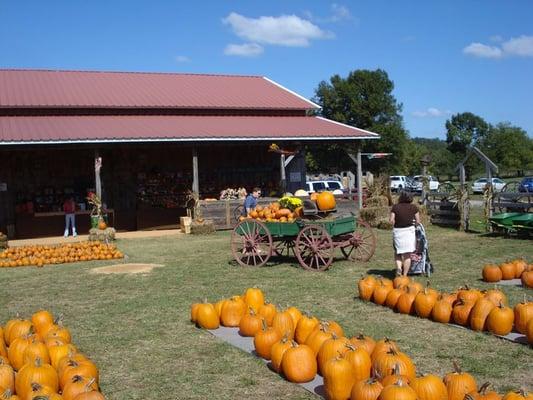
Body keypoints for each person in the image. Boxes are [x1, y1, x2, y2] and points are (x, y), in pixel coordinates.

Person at [390, 191, 420, 276]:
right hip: (409, 232)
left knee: (398, 252)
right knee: (407, 255)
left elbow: (391, 220)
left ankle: (399, 268)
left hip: (398, 232)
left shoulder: (395, 207)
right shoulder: (414, 207)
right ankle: (405, 275)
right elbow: (418, 221)